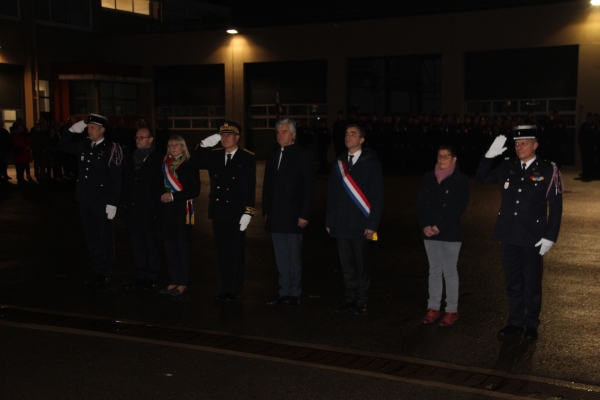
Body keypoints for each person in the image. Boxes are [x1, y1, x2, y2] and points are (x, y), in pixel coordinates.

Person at [476, 125, 563, 341]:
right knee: (513, 282)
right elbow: (480, 178)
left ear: (535, 145)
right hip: (509, 235)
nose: (519, 146)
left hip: (533, 237)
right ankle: (515, 322)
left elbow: (556, 206)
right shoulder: (507, 167)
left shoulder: (548, 169)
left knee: (532, 283)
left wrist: (550, 235)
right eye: (516, 143)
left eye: (524, 143)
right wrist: (489, 156)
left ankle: (531, 324)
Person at [190, 121, 256, 301]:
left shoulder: (247, 157)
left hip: (236, 213)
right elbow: (192, 163)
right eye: (222, 135)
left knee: (236, 252)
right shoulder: (215, 155)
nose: (225, 138)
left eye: (229, 135)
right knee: (222, 252)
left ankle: (235, 289)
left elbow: (250, 188)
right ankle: (226, 287)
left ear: (237, 138)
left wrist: (248, 212)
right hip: (218, 211)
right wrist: (202, 146)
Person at [58, 114, 123, 285]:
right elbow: (61, 145)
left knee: (104, 237)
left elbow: (116, 178)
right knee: (91, 236)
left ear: (102, 129)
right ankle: (97, 269)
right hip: (85, 198)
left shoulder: (112, 148)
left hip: (102, 200)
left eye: (93, 127)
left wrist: (113, 202)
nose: (89, 130)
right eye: (88, 127)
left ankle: (105, 270)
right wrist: (70, 130)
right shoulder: (83, 144)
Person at [326, 124, 384, 315]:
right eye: (346, 134)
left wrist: (372, 224)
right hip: (342, 222)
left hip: (361, 223)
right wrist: (330, 220)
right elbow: (332, 194)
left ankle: (361, 299)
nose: (348, 137)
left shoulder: (371, 163)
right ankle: (349, 298)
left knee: (361, 264)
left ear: (361, 140)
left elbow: (377, 196)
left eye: (353, 134)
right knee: (346, 264)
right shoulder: (339, 163)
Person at [262, 119, 316, 307]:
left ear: (293, 135)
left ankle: (294, 292)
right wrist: (266, 211)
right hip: (276, 215)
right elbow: (267, 186)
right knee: (280, 257)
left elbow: (309, 188)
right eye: (278, 132)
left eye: (284, 132)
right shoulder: (273, 154)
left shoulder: (303, 155)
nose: (280, 135)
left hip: (294, 215)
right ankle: (283, 291)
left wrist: (305, 214)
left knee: (293, 257)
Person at [417, 145, 469, 327]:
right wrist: (424, 225)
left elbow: (459, 207)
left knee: (449, 271)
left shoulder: (461, 179)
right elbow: (421, 204)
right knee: (434, 270)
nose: (442, 159)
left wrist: (439, 226)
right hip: (429, 232)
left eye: (446, 156)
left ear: (454, 159)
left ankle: (451, 311)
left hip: (449, 232)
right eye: (439, 156)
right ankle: (433, 308)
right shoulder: (429, 177)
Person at [156, 135, 200, 298]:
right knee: (169, 249)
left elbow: (195, 191)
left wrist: (174, 196)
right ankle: (173, 280)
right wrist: (161, 195)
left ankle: (182, 283)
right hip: (166, 212)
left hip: (182, 212)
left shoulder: (189, 166)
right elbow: (156, 186)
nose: (174, 147)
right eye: (171, 145)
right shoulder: (163, 166)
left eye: (177, 145)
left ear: (183, 147)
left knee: (182, 249)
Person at [121, 128, 163, 290]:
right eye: (136, 137)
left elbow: (160, 185)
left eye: (142, 137)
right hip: (133, 210)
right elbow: (127, 183)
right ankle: (139, 276)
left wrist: (158, 209)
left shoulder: (158, 159)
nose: (138, 140)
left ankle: (152, 277)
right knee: (136, 245)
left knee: (151, 245)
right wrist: (124, 204)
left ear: (150, 140)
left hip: (150, 209)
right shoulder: (131, 158)